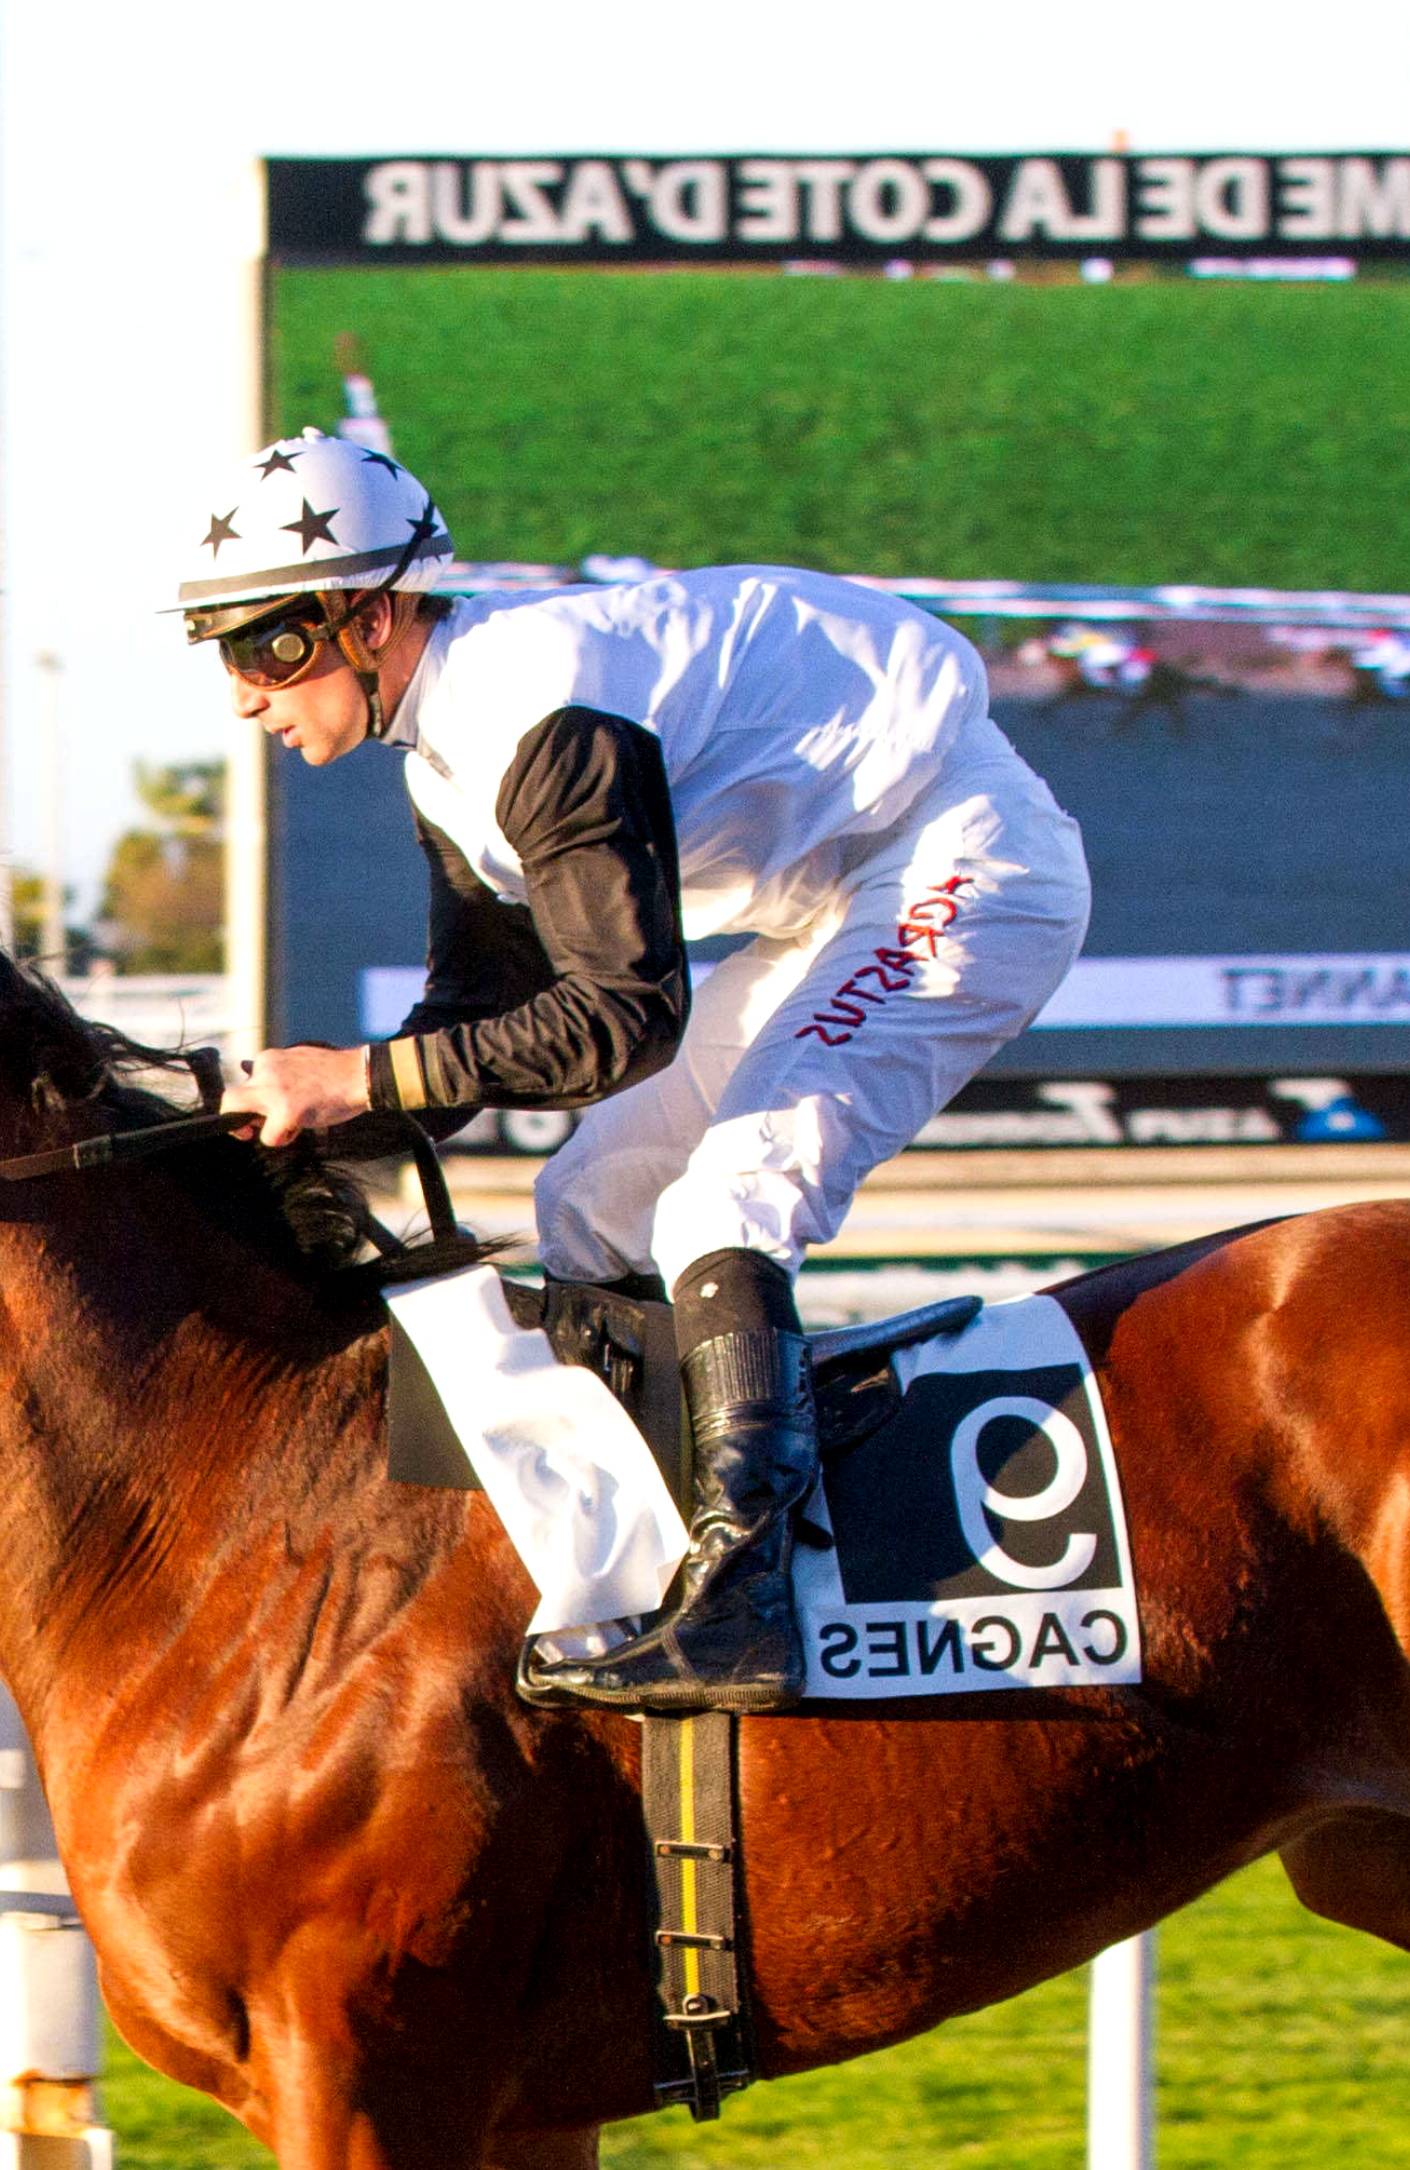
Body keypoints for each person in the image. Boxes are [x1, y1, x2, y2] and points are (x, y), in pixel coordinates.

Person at [182, 429, 1092, 1713]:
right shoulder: (448, 766)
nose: (242, 695)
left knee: (726, 1201)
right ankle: (652, 1548)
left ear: (369, 615)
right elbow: (475, 1017)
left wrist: (360, 1083)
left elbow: (618, 1022)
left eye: (259, 645)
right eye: (219, 653)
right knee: (590, 1202)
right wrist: (285, 1126)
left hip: (962, 863)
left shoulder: (536, 708)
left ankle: (751, 1599)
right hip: (830, 902)